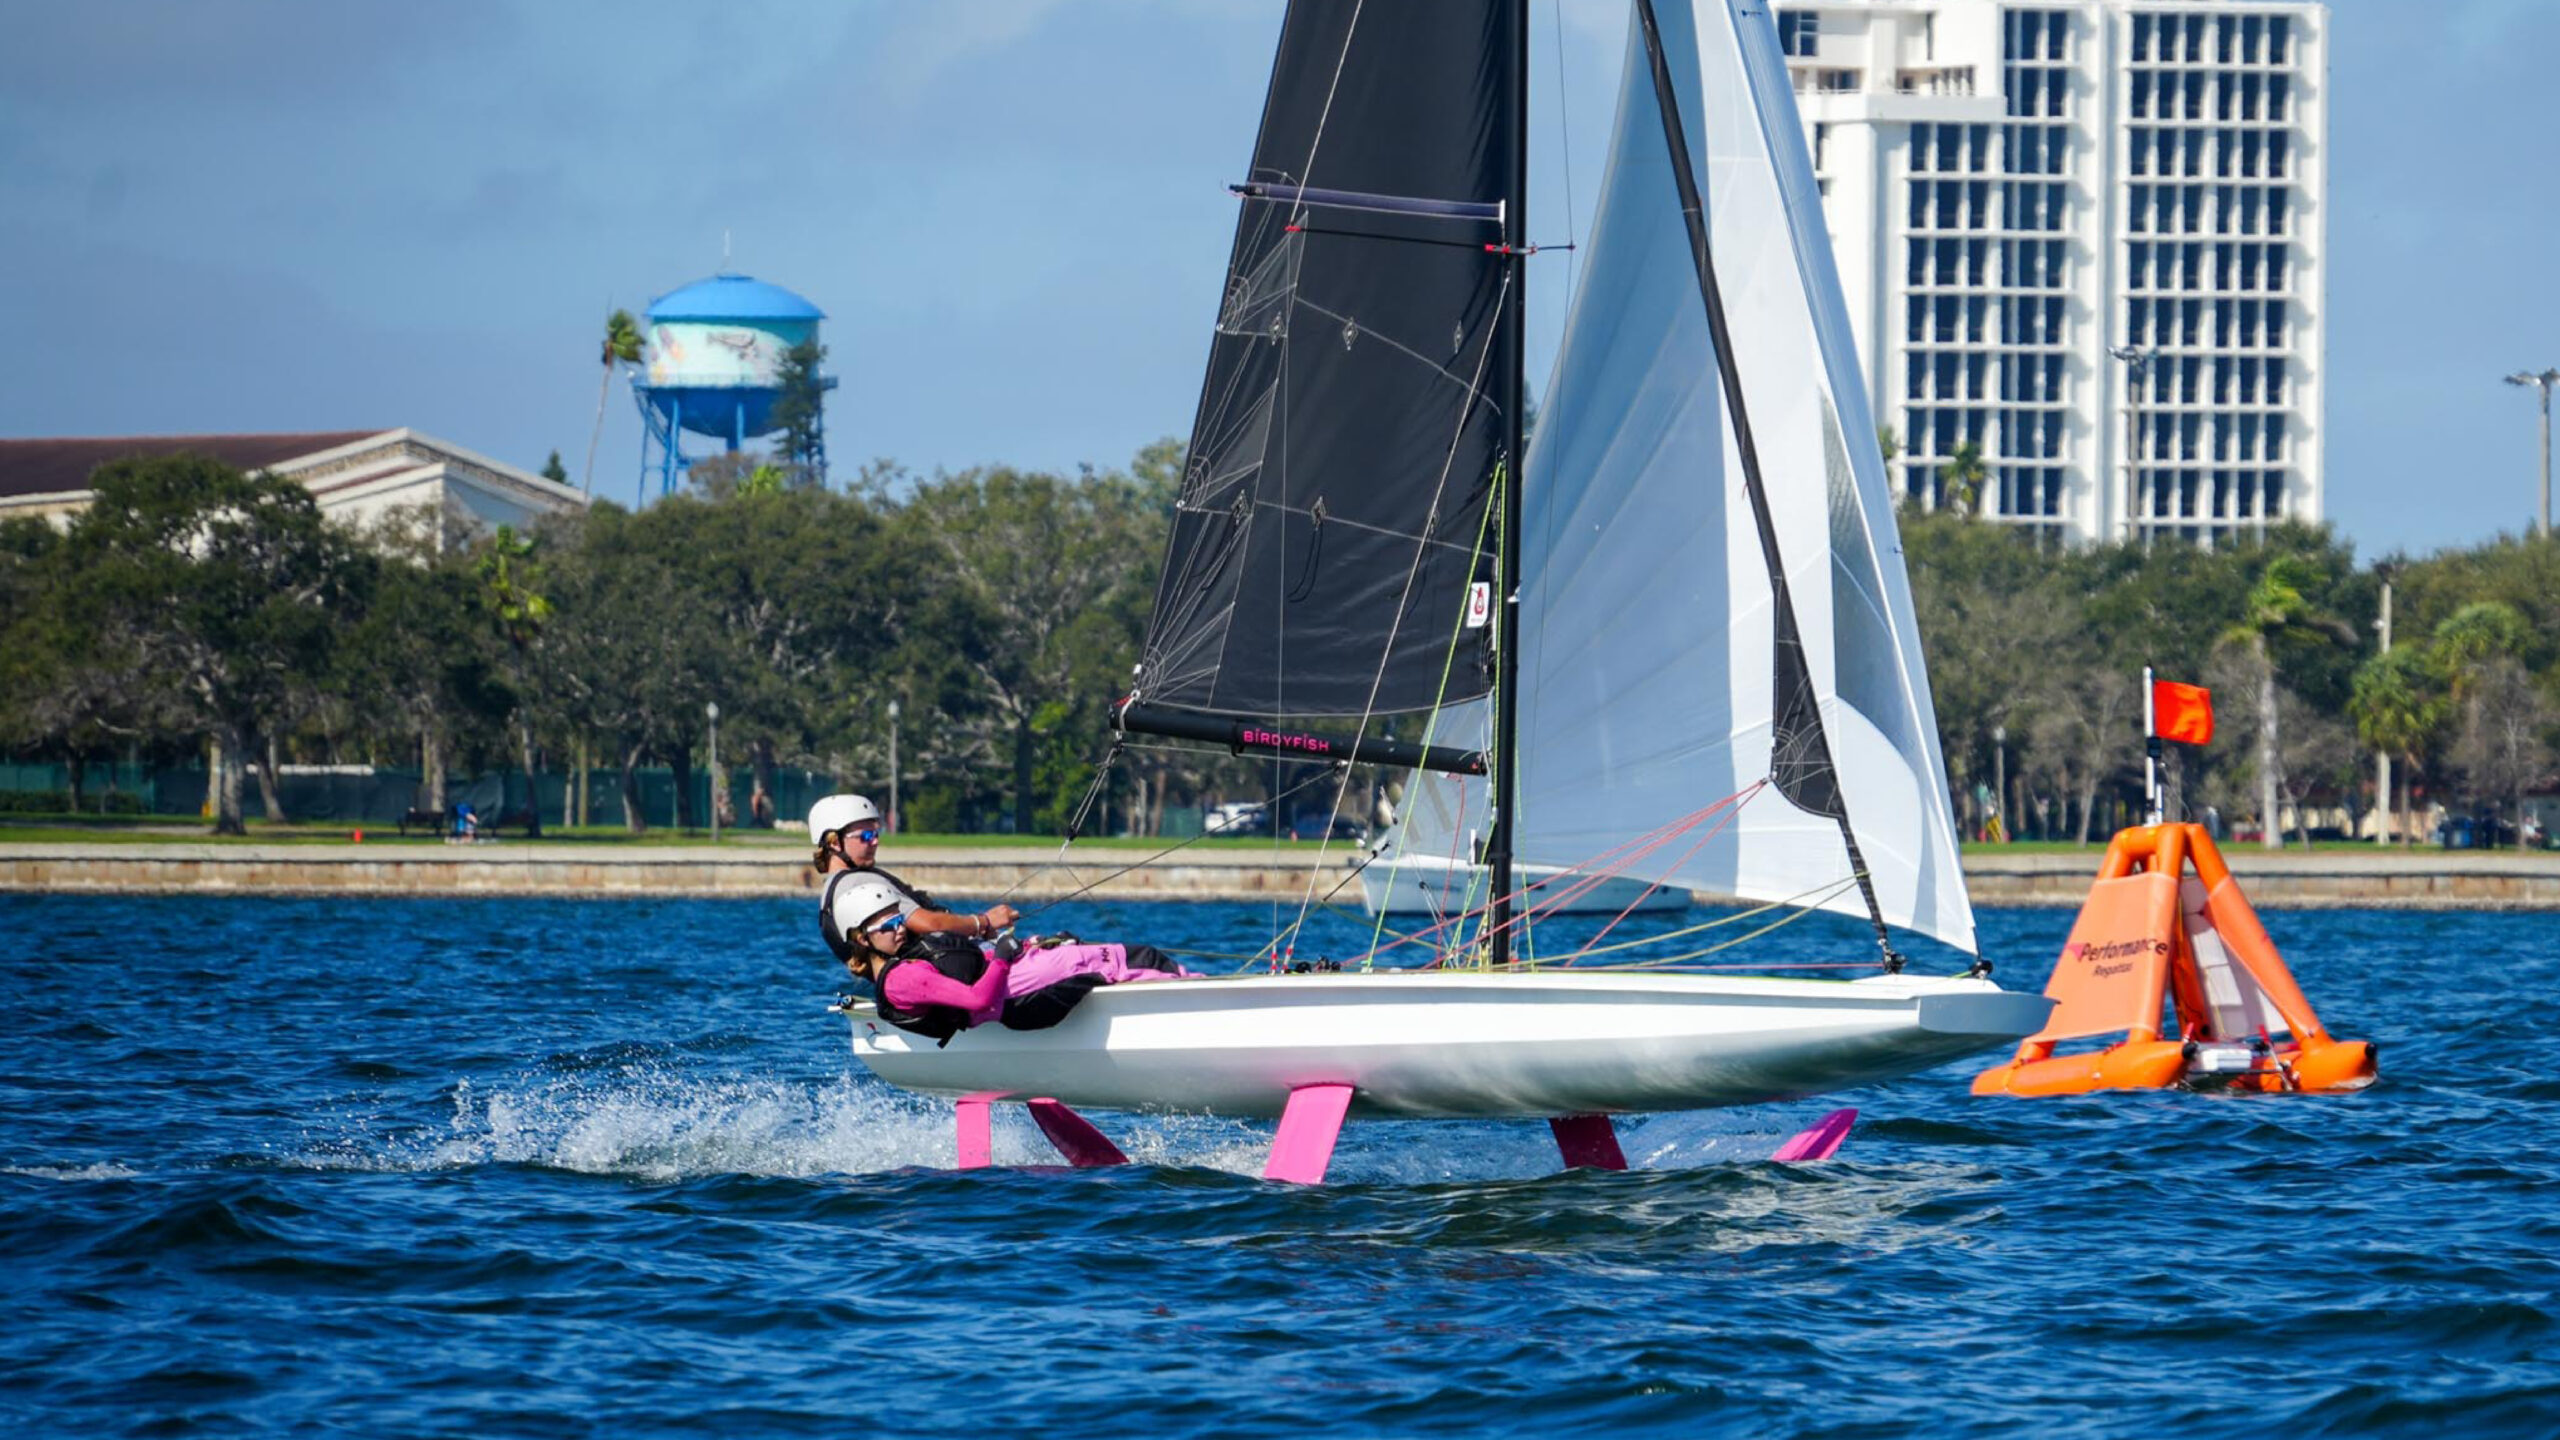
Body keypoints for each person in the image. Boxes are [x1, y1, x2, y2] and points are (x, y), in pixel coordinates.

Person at [829, 872, 1194, 1042]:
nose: (900, 929)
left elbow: (963, 970)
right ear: (862, 938)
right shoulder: (903, 978)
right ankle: (1199, 1000)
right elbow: (977, 998)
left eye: (899, 920)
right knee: (1133, 957)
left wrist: (1023, 947)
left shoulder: (901, 963)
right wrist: (1003, 956)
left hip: (1014, 979)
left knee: (1109, 953)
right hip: (1014, 992)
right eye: (888, 925)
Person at [808, 794, 1017, 958]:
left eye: (876, 834)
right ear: (834, 843)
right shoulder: (858, 883)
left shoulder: (833, 889)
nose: (875, 841)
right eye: (866, 835)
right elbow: (929, 924)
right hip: (942, 968)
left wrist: (972, 930)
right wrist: (983, 922)